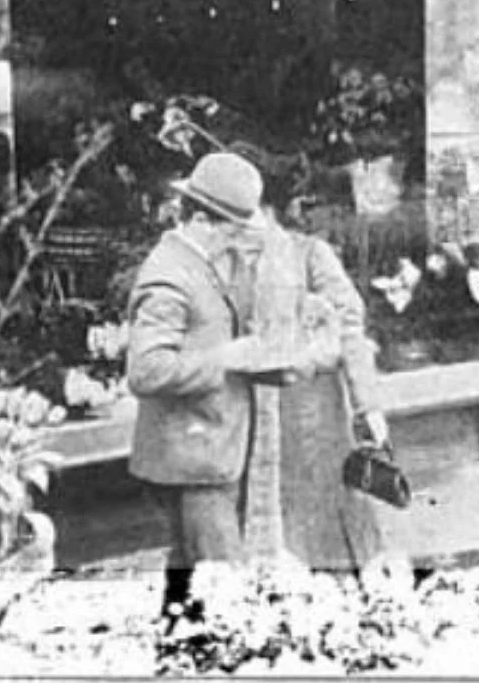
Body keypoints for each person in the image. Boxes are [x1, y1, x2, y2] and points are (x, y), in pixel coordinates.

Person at [125, 152, 272, 625]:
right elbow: (146, 370)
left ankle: (177, 647)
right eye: (231, 230)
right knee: (223, 587)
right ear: (202, 220)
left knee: (189, 580)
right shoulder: (168, 274)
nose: (236, 241)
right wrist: (226, 358)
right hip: (192, 463)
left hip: (211, 451)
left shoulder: (201, 262)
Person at [233, 143, 391, 575]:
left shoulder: (308, 254)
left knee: (322, 513)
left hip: (310, 410)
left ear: (265, 205)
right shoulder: (225, 261)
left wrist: (368, 405)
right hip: (248, 411)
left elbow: (350, 328)